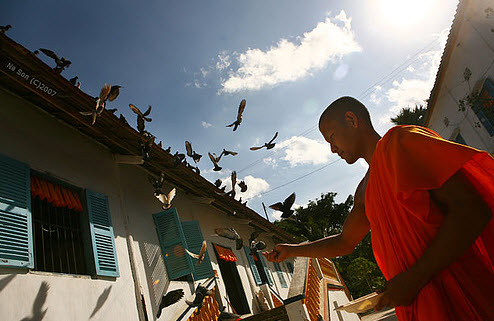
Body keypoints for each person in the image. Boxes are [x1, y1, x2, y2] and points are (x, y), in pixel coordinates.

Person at [263, 96, 494, 320]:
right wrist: (292, 250)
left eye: (332, 138)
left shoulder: (402, 143)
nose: (333, 149)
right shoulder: (364, 191)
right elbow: (344, 242)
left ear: (352, 120)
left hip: (461, 287)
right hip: (416, 302)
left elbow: (472, 210)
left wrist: (415, 277)